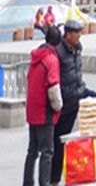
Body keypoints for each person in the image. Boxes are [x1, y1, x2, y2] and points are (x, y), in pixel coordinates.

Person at [52, 19, 96, 185]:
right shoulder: (59, 52)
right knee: (59, 141)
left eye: (80, 32)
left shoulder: (78, 48)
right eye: (76, 32)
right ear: (68, 34)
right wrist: (65, 96)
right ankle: (53, 179)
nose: (79, 35)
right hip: (67, 101)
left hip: (80, 92)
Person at [24, 26, 62, 186]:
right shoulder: (51, 60)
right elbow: (53, 87)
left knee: (32, 151)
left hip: (32, 111)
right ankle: (44, 183)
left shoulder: (36, 57)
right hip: (45, 113)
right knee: (47, 152)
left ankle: (27, 182)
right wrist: (58, 106)